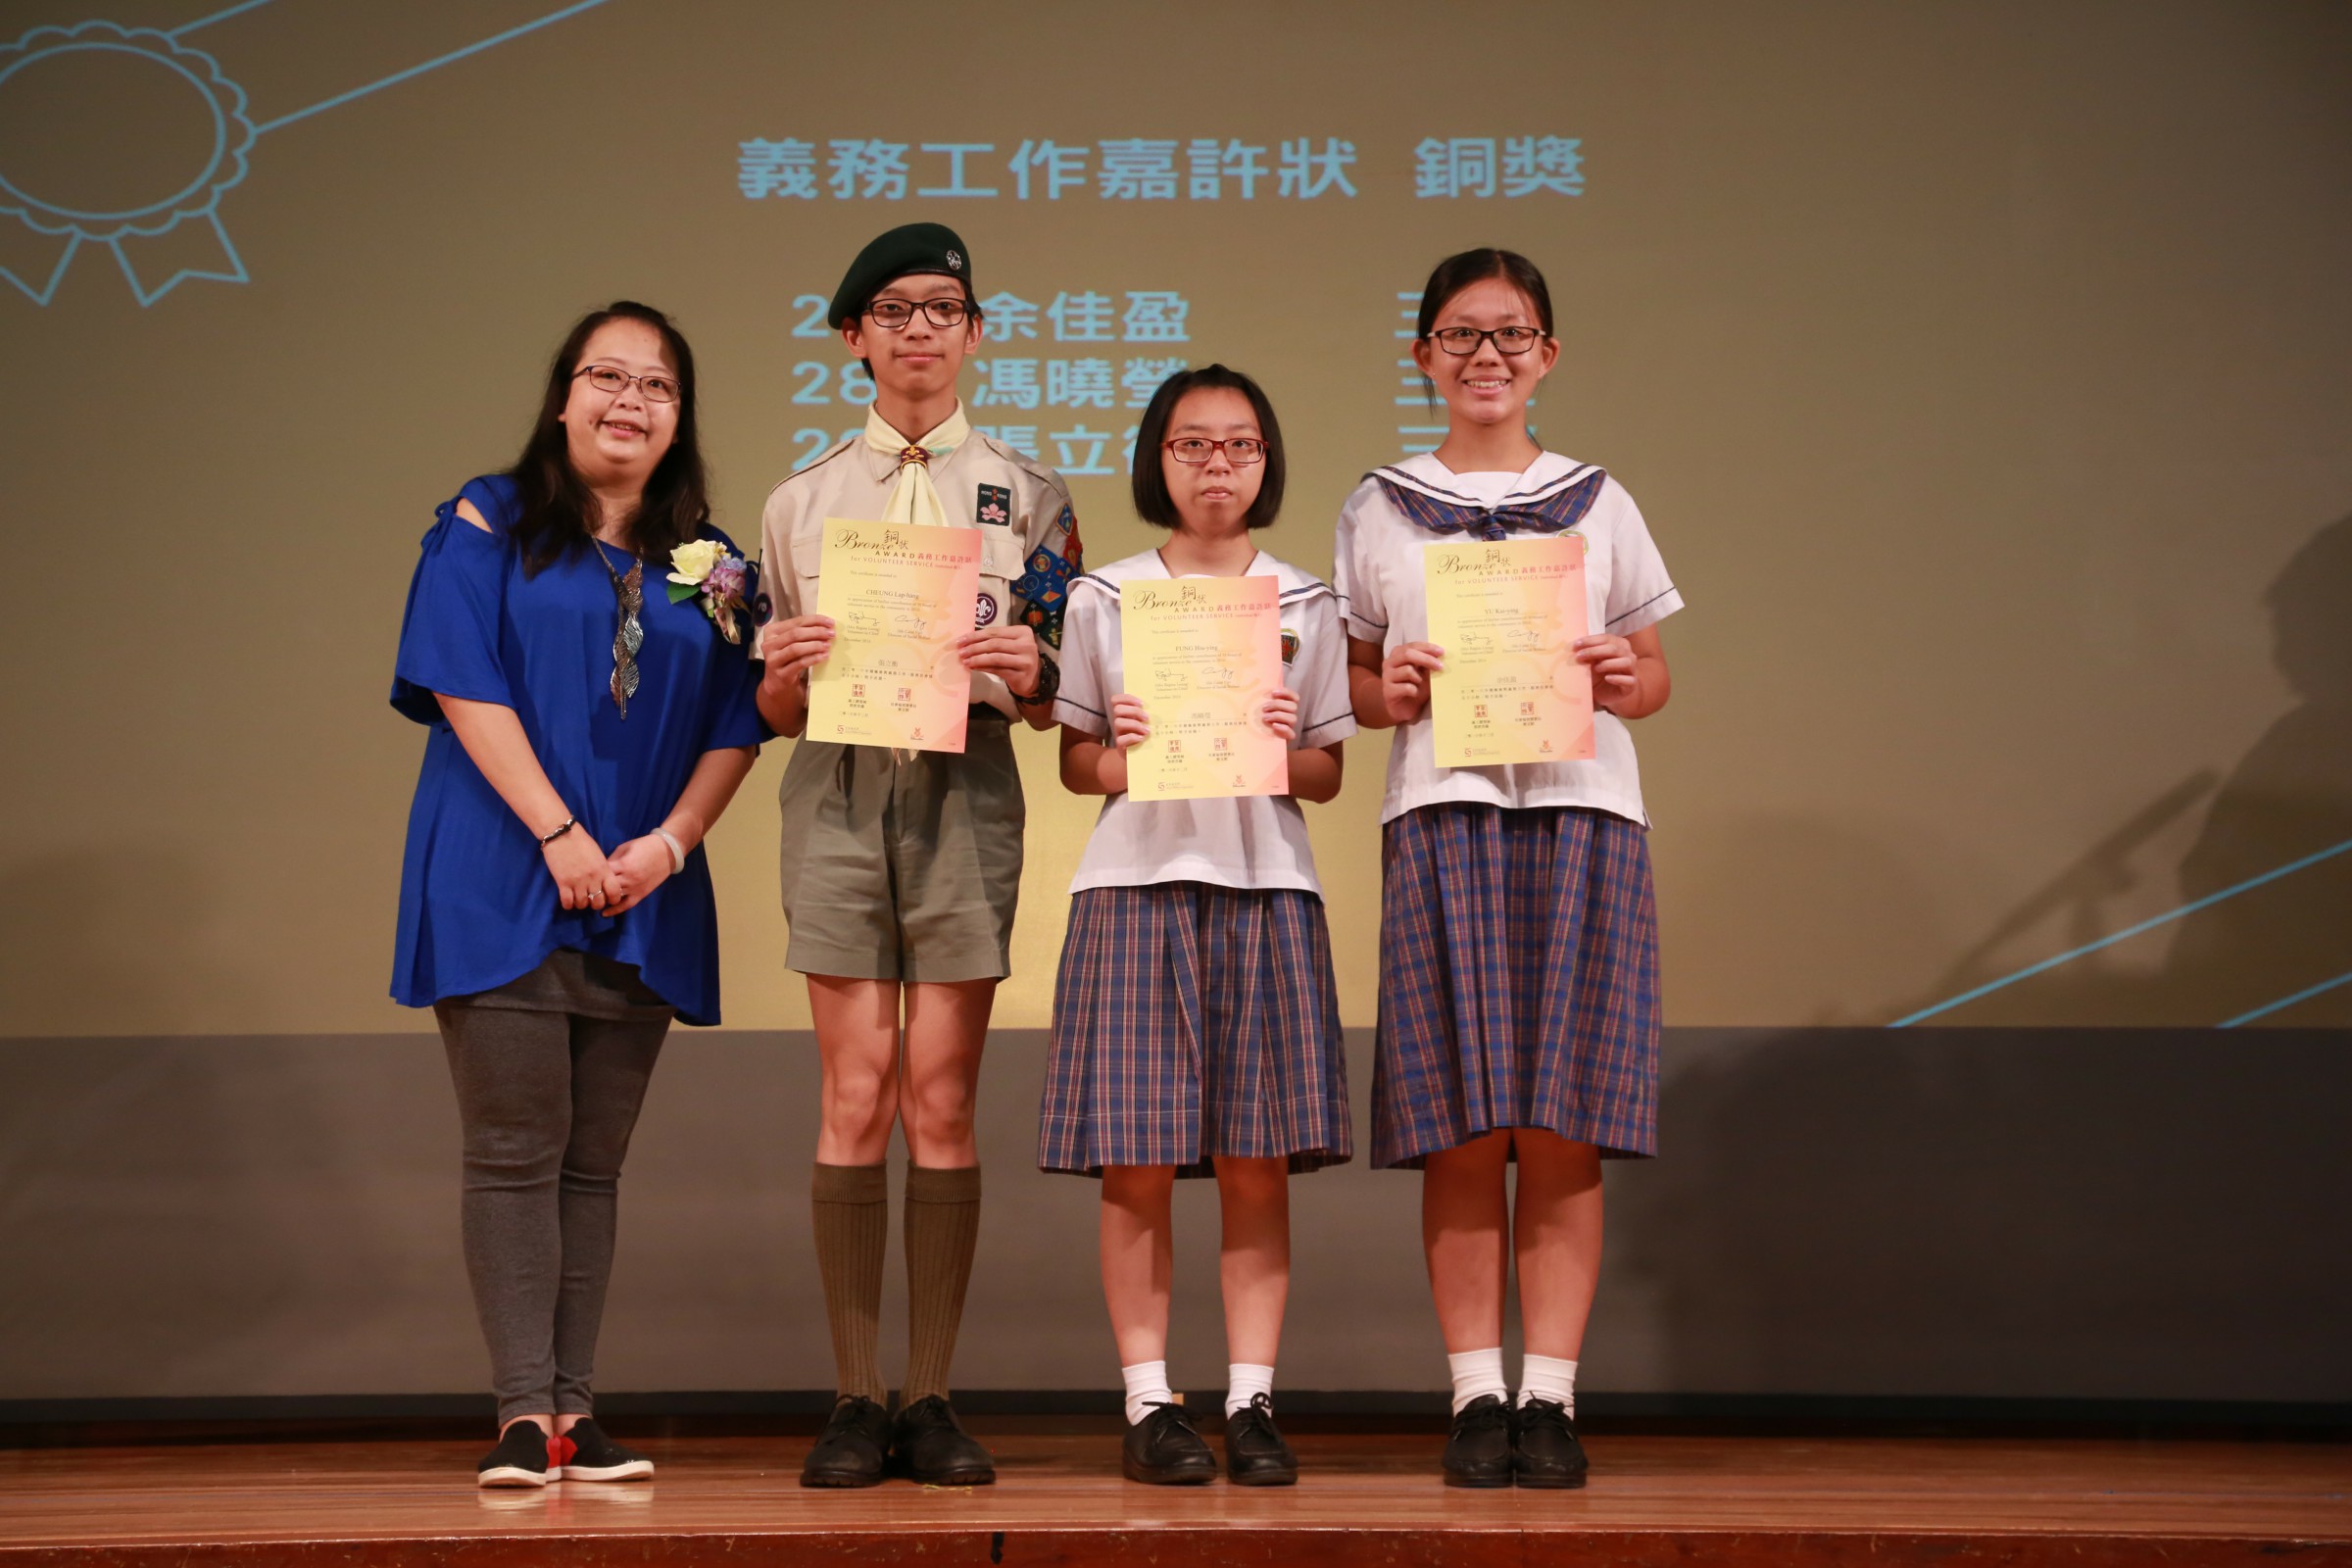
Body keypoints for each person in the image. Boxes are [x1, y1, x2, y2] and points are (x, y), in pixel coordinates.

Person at [390, 301, 764, 1488]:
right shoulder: (488, 516)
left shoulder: (716, 564)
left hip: (640, 885)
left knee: (592, 1165)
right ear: (563, 397)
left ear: (679, 417)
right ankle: (519, 1410)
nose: (629, 400)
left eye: (656, 385)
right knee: (514, 1148)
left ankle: (572, 1412)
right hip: (503, 869)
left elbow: (738, 722)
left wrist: (670, 845)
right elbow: (461, 680)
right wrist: (557, 832)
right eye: (607, 376)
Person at [1333, 249, 1683, 1489]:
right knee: (1465, 1120)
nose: (1487, 356)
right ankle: (1478, 1392)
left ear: (1547, 355)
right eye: (1462, 335)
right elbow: (1354, 684)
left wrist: (1623, 676)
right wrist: (1390, 689)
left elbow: (1653, 674)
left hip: (1586, 812)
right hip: (1445, 812)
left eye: (1512, 334)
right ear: (1423, 354)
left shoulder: (1599, 500)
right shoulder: (1380, 504)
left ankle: (1553, 1397)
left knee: (1565, 1120)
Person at [754, 222, 1080, 1489]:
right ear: (853, 336)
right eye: (894, 310)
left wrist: (1032, 668)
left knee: (940, 1100)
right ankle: (853, 1397)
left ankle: (931, 1396)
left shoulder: (1032, 496)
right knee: (854, 1094)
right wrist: (784, 673)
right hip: (838, 791)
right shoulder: (799, 501)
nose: (921, 330)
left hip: (967, 786)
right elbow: (773, 706)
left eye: (945, 308)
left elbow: (1056, 697)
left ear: (976, 331)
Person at [1040, 366, 1354, 1487]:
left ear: (1266, 461)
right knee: (1137, 1161)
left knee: (1256, 1161)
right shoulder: (1106, 595)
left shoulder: (1306, 602)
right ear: (1157, 460)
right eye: (1192, 443)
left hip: (1267, 885)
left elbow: (1325, 771)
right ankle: (1149, 1401)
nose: (1217, 462)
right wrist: (1121, 752)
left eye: (1240, 444)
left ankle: (1253, 1399)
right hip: (1135, 885)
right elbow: (1078, 762)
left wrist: (1282, 738)